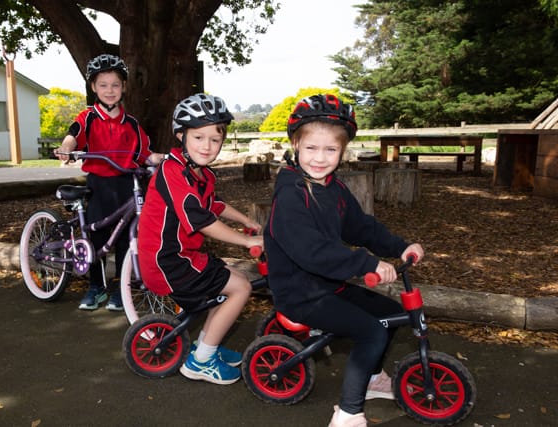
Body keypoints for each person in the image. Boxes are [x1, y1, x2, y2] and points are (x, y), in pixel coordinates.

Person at [263, 94, 425, 427]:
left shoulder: (333, 188)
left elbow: (360, 227)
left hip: (327, 285)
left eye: (330, 149)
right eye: (311, 148)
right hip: (300, 293)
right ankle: (348, 413)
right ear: (296, 144)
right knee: (371, 332)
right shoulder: (291, 195)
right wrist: (366, 264)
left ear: (343, 151)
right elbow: (312, 251)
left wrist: (400, 246)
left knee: (390, 314)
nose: (320, 158)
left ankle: (372, 378)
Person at [138, 93, 263, 385]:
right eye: (198, 137)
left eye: (215, 139)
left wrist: (245, 221)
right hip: (168, 263)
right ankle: (201, 362)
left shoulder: (199, 173)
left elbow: (213, 205)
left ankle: (207, 346)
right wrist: (246, 242)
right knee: (241, 288)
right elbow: (202, 221)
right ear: (181, 136)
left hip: (183, 257)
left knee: (232, 281)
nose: (207, 146)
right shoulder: (172, 172)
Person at [54, 54, 164, 312]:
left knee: (128, 236)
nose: (110, 90)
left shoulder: (132, 124)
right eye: (103, 85)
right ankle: (96, 287)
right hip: (99, 184)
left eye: (115, 84)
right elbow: (74, 134)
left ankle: (121, 287)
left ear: (124, 86)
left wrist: (160, 158)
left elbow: (145, 153)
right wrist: (66, 147)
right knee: (96, 235)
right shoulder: (88, 117)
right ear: (93, 87)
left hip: (127, 183)